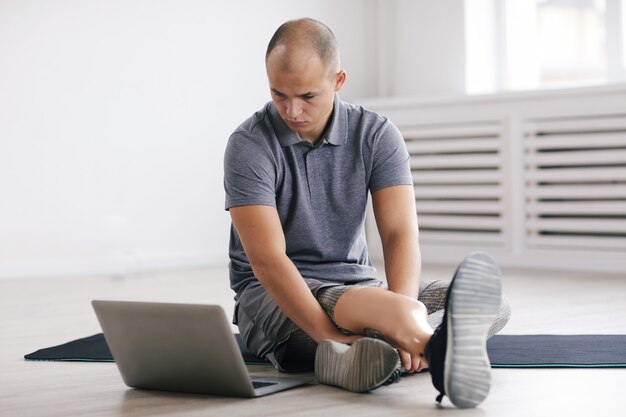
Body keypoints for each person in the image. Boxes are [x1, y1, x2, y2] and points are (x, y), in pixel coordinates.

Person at [224, 18, 511, 408]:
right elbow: (268, 261)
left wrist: (402, 310)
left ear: (338, 80)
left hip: (366, 293)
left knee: (496, 304)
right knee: (358, 308)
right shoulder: (249, 145)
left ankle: (374, 355)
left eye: (307, 96)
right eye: (279, 94)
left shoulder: (376, 134)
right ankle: (432, 349)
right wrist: (331, 337)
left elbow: (399, 235)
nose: (292, 110)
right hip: (277, 302)